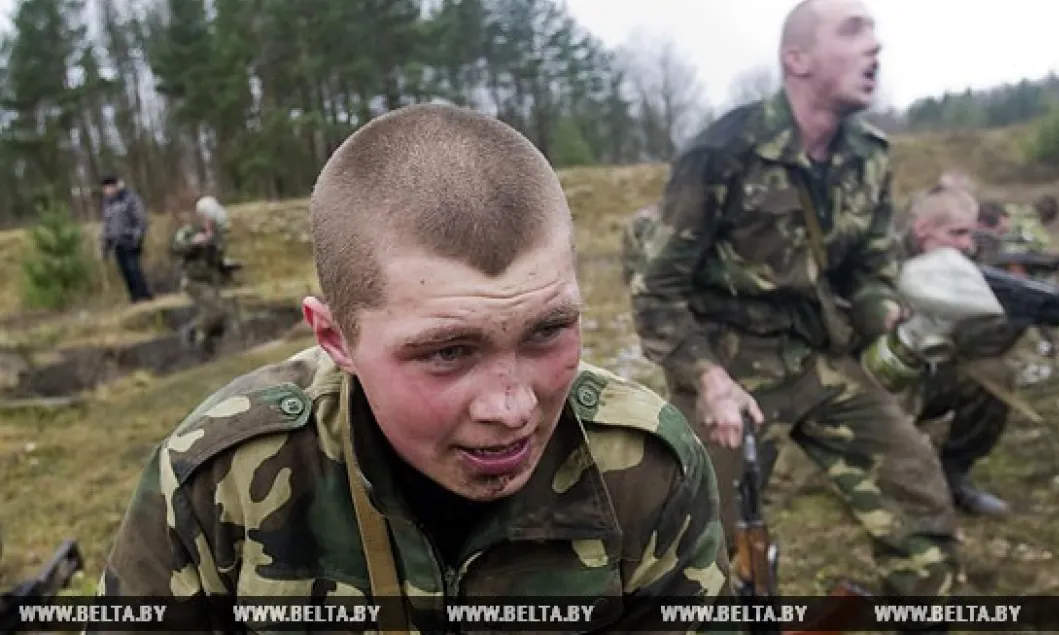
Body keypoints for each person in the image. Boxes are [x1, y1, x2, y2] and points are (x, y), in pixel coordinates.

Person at [92, 104, 732, 633]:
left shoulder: (647, 467)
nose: (511, 408)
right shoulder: (219, 477)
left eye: (547, 332)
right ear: (334, 338)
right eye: (448, 353)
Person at [630, 0, 960, 601]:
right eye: (854, 30)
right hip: (728, 366)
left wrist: (884, 311)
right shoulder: (722, 152)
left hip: (819, 357)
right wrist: (707, 379)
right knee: (698, 550)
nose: (875, 46)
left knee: (918, 497)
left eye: (875, 32)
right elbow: (657, 292)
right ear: (797, 59)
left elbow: (867, 271)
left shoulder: (870, 155)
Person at [900, 179, 1022, 517]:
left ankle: (954, 472)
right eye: (957, 234)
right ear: (924, 229)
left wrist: (1019, 316)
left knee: (995, 374)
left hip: (931, 376)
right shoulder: (878, 260)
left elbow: (979, 346)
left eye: (970, 234)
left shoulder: (969, 267)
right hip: (875, 381)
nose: (967, 245)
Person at [169, 204, 230, 357]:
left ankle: (207, 347)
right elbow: (176, 248)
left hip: (210, 279)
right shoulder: (189, 231)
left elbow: (216, 258)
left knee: (221, 315)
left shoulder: (215, 235)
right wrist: (193, 244)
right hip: (193, 280)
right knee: (215, 311)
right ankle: (192, 330)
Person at [100, 175, 154, 303]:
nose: (107, 191)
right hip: (116, 242)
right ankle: (134, 297)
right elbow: (107, 227)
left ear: (115, 186)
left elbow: (140, 219)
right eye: (105, 188)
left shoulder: (130, 198)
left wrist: (137, 237)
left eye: (109, 187)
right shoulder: (107, 204)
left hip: (130, 239)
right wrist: (105, 246)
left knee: (134, 269)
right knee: (124, 271)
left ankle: (144, 295)